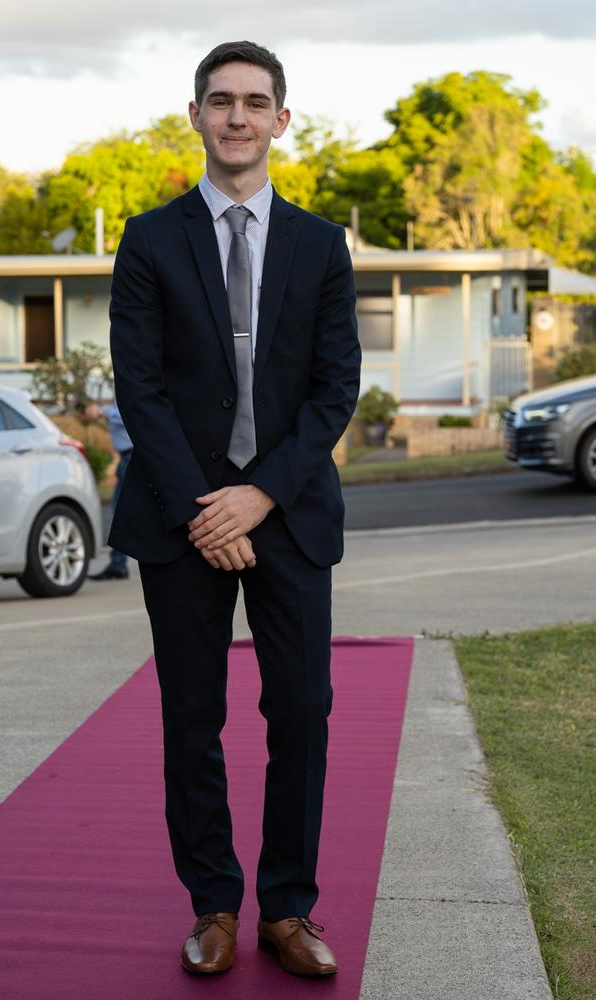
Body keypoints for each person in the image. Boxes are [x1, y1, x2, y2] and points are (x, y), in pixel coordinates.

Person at [108, 40, 360, 977]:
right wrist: (203, 510)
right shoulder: (148, 239)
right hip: (180, 522)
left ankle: (289, 909)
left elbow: (337, 389)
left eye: (257, 102)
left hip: (289, 512)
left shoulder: (322, 245)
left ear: (282, 119)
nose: (239, 118)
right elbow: (140, 387)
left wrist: (258, 495)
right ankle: (213, 905)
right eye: (222, 101)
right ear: (197, 115)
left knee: (303, 709)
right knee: (192, 717)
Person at [85, 399, 132, 580]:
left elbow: (126, 412)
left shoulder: (119, 404)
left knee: (121, 513)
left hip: (132, 458)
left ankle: (118, 564)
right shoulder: (115, 402)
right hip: (128, 458)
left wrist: (101, 412)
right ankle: (118, 564)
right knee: (124, 513)